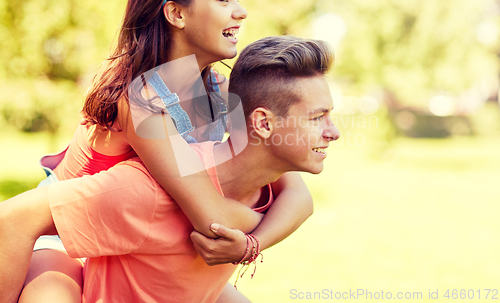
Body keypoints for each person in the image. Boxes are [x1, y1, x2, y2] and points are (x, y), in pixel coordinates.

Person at [15, 0, 314, 303]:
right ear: (176, 13)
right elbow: (210, 218)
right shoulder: (136, 97)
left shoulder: (219, 90)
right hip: (65, 236)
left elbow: (297, 194)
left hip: (138, 243)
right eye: (224, 0)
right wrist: (256, 223)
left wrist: (251, 244)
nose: (241, 12)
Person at [0, 35, 340, 303]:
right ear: (263, 124)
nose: (334, 132)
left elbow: (300, 199)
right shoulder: (147, 190)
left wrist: (252, 243)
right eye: (316, 118)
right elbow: (13, 218)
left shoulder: (269, 185)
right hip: (60, 243)